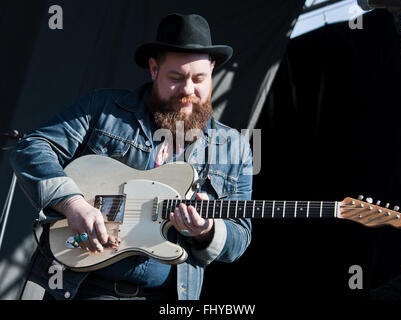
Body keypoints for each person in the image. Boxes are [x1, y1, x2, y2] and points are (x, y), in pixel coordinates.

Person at [10, 13, 253, 300]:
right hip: (82, 289)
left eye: (199, 78)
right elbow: (32, 148)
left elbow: (239, 237)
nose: (188, 90)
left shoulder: (233, 147)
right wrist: (73, 204)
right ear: (153, 69)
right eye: (176, 78)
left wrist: (207, 230)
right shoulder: (102, 109)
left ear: (212, 70)